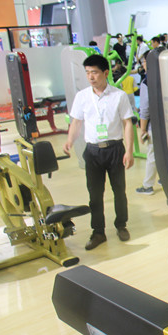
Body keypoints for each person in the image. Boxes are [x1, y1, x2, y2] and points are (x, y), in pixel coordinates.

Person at [63, 54, 135, 250]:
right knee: (94, 194)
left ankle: (121, 225)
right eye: (87, 73)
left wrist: (129, 151)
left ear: (105, 72)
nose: (91, 77)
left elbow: (127, 123)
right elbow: (76, 122)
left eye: (94, 72)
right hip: (93, 151)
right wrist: (70, 141)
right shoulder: (82, 96)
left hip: (115, 149)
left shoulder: (119, 96)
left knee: (119, 190)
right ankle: (98, 232)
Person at [136, 51, 157, 195]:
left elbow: (145, 109)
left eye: (144, 61)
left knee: (152, 155)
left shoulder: (147, 82)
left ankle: (147, 185)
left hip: (154, 126)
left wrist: (143, 129)